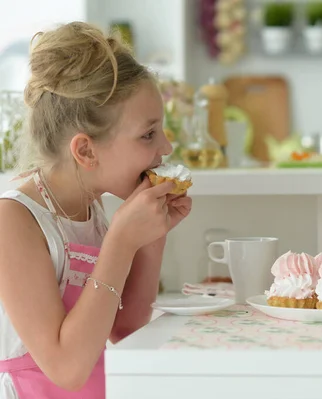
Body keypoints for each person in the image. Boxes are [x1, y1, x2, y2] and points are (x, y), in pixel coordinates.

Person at [0, 22, 192, 398]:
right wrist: (120, 241)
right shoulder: (14, 220)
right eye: (149, 134)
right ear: (86, 151)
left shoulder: (92, 206)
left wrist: (152, 237)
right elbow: (66, 368)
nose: (166, 147)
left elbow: (124, 326)